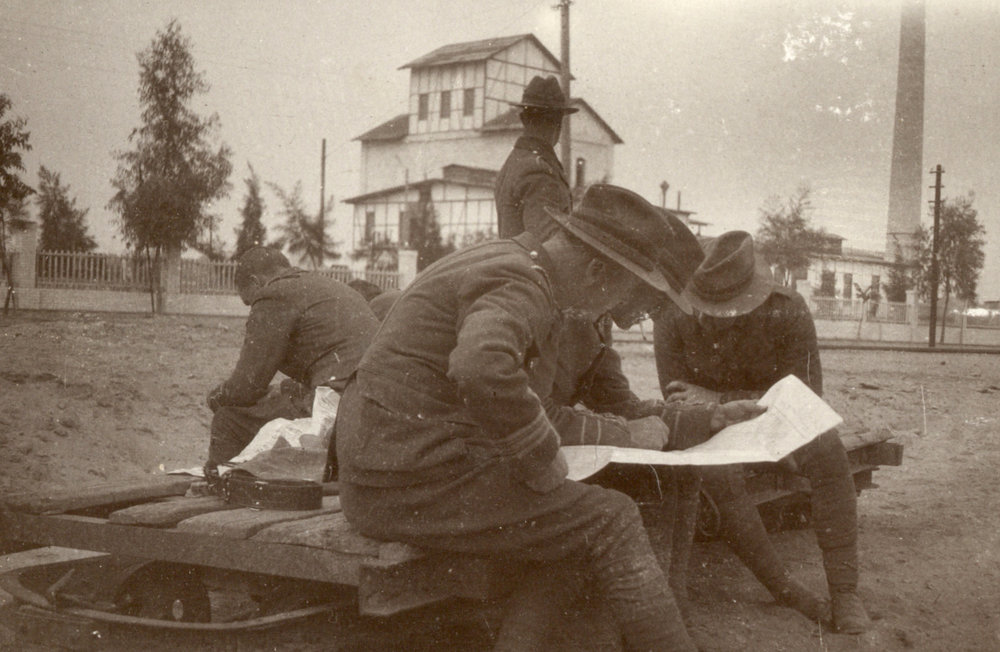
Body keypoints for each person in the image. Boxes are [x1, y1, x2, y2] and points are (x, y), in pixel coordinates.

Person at [336, 185, 762, 651]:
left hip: (406, 469)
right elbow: (481, 365)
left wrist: (702, 421)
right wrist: (541, 458)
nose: (623, 310)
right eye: (630, 289)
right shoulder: (522, 282)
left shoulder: (524, 269)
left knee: (574, 525)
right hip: (406, 483)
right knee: (610, 517)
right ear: (599, 270)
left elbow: (535, 400)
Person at [653, 230, 870, 634]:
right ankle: (784, 587)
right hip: (713, 426)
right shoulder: (671, 318)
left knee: (828, 450)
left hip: (774, 420)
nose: (717, 319)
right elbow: (677, 403)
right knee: (717, 471)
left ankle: (845, 592)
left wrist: (721, 395)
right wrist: (717, 407)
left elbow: (808, 397)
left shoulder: (787, 309)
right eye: (708, 308)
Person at [204, 247, 379, 474]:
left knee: (228, 419)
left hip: (340, 406)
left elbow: (245, 387)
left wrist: (216, 397)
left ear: (256, 282)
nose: (252, 307)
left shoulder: (274, 294)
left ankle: (223, 487)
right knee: (283, 395)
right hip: (373, 400)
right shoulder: (327, 286)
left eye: (250, 301)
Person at [494, 75, 577, 240]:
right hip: (531, 265)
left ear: (523, 119)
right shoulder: (539, 171)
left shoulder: (514, 162)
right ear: (558, 123)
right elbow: (548, 245)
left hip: (514, 262)